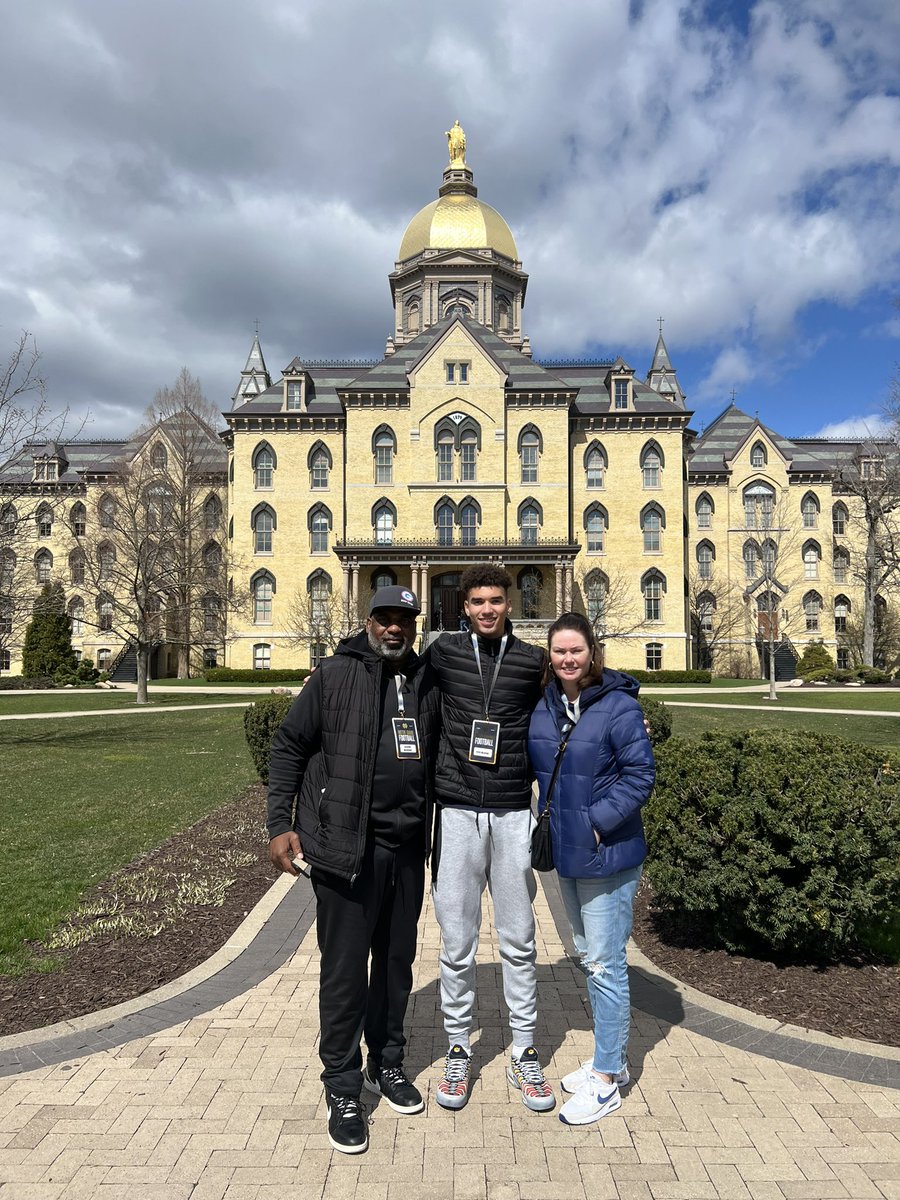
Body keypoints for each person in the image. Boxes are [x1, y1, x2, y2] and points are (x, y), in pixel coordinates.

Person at [266, 586, 440, 1155]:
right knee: (344, 973)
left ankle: (386, 1063)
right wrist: (279, 824)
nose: (396, 629)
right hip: (346, 850)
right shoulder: (335, 675)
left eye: (404, 621)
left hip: (406, 848)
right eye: (386, 619)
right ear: (368, 621)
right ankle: (341, 1087)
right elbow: (290, 744)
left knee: (396, 964)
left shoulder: (424, 680)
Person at [428, 564, 554, 1113]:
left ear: (510, 604)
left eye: (496, 601)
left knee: (519, 939)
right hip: (455, 812)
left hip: (509, 812)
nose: (487, 609)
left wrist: (628, 706)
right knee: (456, 942)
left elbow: (582, 684)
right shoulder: (443, 653)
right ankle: (460, 1045)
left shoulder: (530, 662)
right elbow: (385, 669)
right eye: (477, 601)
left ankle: (524, 1051)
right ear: (464, 606)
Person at [528, 612, 655, 1126]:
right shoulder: (546, 708)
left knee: (605, 964)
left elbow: (640, 774)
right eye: (559, 651)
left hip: (606, 853)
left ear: (592, 652)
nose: (567, 659)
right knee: (589, 957)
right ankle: (614, 1060)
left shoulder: (619, 707)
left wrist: (597, 823)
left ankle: (606, 1079)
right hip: (567, 855)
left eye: (575, 650)